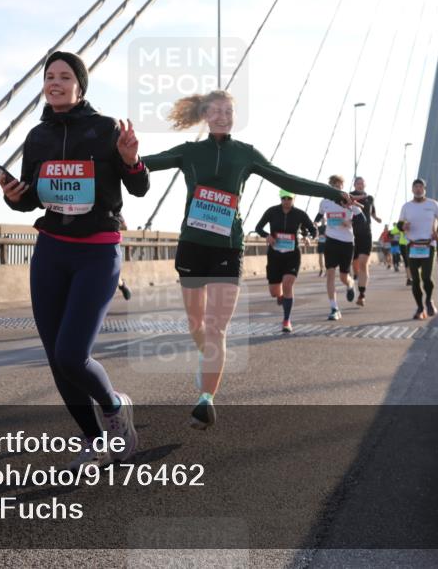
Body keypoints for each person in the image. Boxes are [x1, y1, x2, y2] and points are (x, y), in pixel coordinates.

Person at [143, 90, 352, 428]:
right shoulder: (189, 152)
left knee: (216, 327)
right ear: (205, 114)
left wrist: (333, 193)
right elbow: (143, 165)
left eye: (230, 111)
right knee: (196, 324)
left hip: (228, 248)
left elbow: (286, 179)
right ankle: (204, 358)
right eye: (217, 110)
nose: (224, 116)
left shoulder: (245, 154)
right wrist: (115, 156)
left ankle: (206, 400)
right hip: (193, 246)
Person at [0, 50, 148, 467]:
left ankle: (114, 406)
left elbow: (138, 189)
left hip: (97, 251)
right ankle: (93, 438)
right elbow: (30, 200)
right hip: (51, 250)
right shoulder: (37, 137)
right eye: (50, 76)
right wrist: (15, 194)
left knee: (71, 354)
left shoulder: (106, 129)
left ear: (80, 85)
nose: (55, 82)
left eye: (65, 76)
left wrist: (131, 160)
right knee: (55, 358)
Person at [254, 189, 316, 332]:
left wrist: (308, 238)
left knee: (288, 284)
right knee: (274, 292)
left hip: (292, 255)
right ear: (280, 199)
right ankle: (281, 296)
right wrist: (267, 236)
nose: (286, 201)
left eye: (289, 198)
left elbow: (313, 230)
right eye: (283, 198)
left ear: (294, 198)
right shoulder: (272, 211)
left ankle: (286, 320)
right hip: (275, 256)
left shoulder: (300, 214)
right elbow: (258, 227)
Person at [398, 179, 438, 320]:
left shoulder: (432, 204)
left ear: (425, 189)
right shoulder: (406, 206)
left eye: (421, 187)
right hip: (412, 245)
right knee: (415, 280)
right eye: (416, 187)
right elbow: (400, 224)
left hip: (428, 245)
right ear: (412, 189)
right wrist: (403, 227)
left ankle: (429, 300)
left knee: (426, 277)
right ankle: (419, 308)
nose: (418, 189)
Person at [316, 175, 361, 320]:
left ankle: (350, 283)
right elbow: (318, 216)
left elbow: (362, 219)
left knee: (343, 277)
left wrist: (350, 223)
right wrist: (314, 225)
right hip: (331, 241)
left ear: (343, 186)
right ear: (330, 185)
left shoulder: (349, 201)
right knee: (330, 274)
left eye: (339, 184)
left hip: (347, 242)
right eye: (334, 184)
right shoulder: (325, 202)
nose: (337, 187)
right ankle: (334, 308)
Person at [349, 176, 381, 307]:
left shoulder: (370, 198)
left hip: (366, 234)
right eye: (357, 183)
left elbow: (372, 212)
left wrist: (376, 218)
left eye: (362, 183)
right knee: (354, 264)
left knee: (363, 264)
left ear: (365, 185)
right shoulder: (349, 196)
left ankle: (361, 295)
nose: (360, 185)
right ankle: (355, 278)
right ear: (354, 185)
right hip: (351, 235)